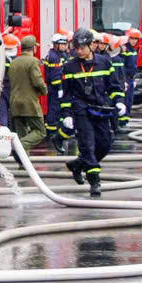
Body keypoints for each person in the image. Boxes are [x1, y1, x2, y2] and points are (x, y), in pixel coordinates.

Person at [60, 28, 119, 197]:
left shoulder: (104, 62)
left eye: (82, 48)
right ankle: (94, 182)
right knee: (87, 145)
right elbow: (66, 94)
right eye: (76, 48)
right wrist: (67, 114)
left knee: (105, 144)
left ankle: (77, 165)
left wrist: (119, 101)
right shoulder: (70, 67)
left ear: (91, 46)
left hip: (100, 110)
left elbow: (113, 86)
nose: (79, 51)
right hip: (81, 111)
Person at [8, 35, 48, 154]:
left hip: (15, 103)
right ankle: (17, 146)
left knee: (22, 133)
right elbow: (37, 81)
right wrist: (44, 90)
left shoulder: (13, 63)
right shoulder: (33, 61)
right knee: (40, 132)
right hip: (29, 103)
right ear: (33, 48)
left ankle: (23, 161)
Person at [44, 31, 70, 148]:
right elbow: (55, 75)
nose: (64, 46)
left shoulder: (57, 54)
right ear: (55, 45)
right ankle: (51, 131)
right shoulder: (54, 57)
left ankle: (55, 129)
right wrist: (59, 87)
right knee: (54, 109)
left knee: (56, 109)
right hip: (55, 88)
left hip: (57, 87)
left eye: (65, 44)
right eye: (62, 44)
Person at [0, 34, 19, 129]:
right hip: (13, 90)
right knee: (15, 116)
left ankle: (2, 131)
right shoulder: (16, 60)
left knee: (2, 114)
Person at [122, 28, 142, 125]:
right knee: (125, 100)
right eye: (132, 38)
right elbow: (121, 66)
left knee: (129, 100)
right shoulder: (124, 49)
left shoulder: (133, 50)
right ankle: (121, 122)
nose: (134, 41)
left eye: (136, 39)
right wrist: (124, 79)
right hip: (125, 78)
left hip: (130, 78)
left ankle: (125, 120)